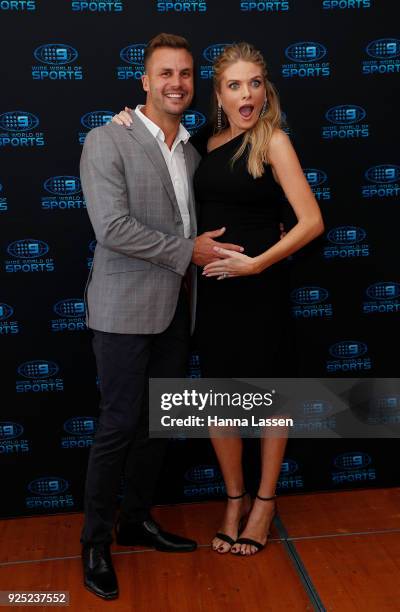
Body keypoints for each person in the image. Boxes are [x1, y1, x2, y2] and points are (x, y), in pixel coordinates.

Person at [112, 42, 324, 558]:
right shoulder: (204, 139)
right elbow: (157, 147)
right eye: (234, 85)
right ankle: (235, 499)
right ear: (220, 94)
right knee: (221, 403)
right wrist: (128, 120)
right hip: (215, 290)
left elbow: (312, 221)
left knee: (272, 398)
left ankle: (265, 503)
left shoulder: (273, 141)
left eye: (254, 83)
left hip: (261, 286)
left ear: (265, 89)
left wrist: (257, 263)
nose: (246, 93)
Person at [80, 33, 244, 601]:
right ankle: (95, 542)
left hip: (178, 310)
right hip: (123, 312)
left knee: (157, 427)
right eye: (165, 74)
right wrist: (188, 253)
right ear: (145, 82)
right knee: (118, 426)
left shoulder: (194, 151)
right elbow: (112, 228)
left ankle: (136, 519)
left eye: (186, 74)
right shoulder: (108, 140)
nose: (177, 83)